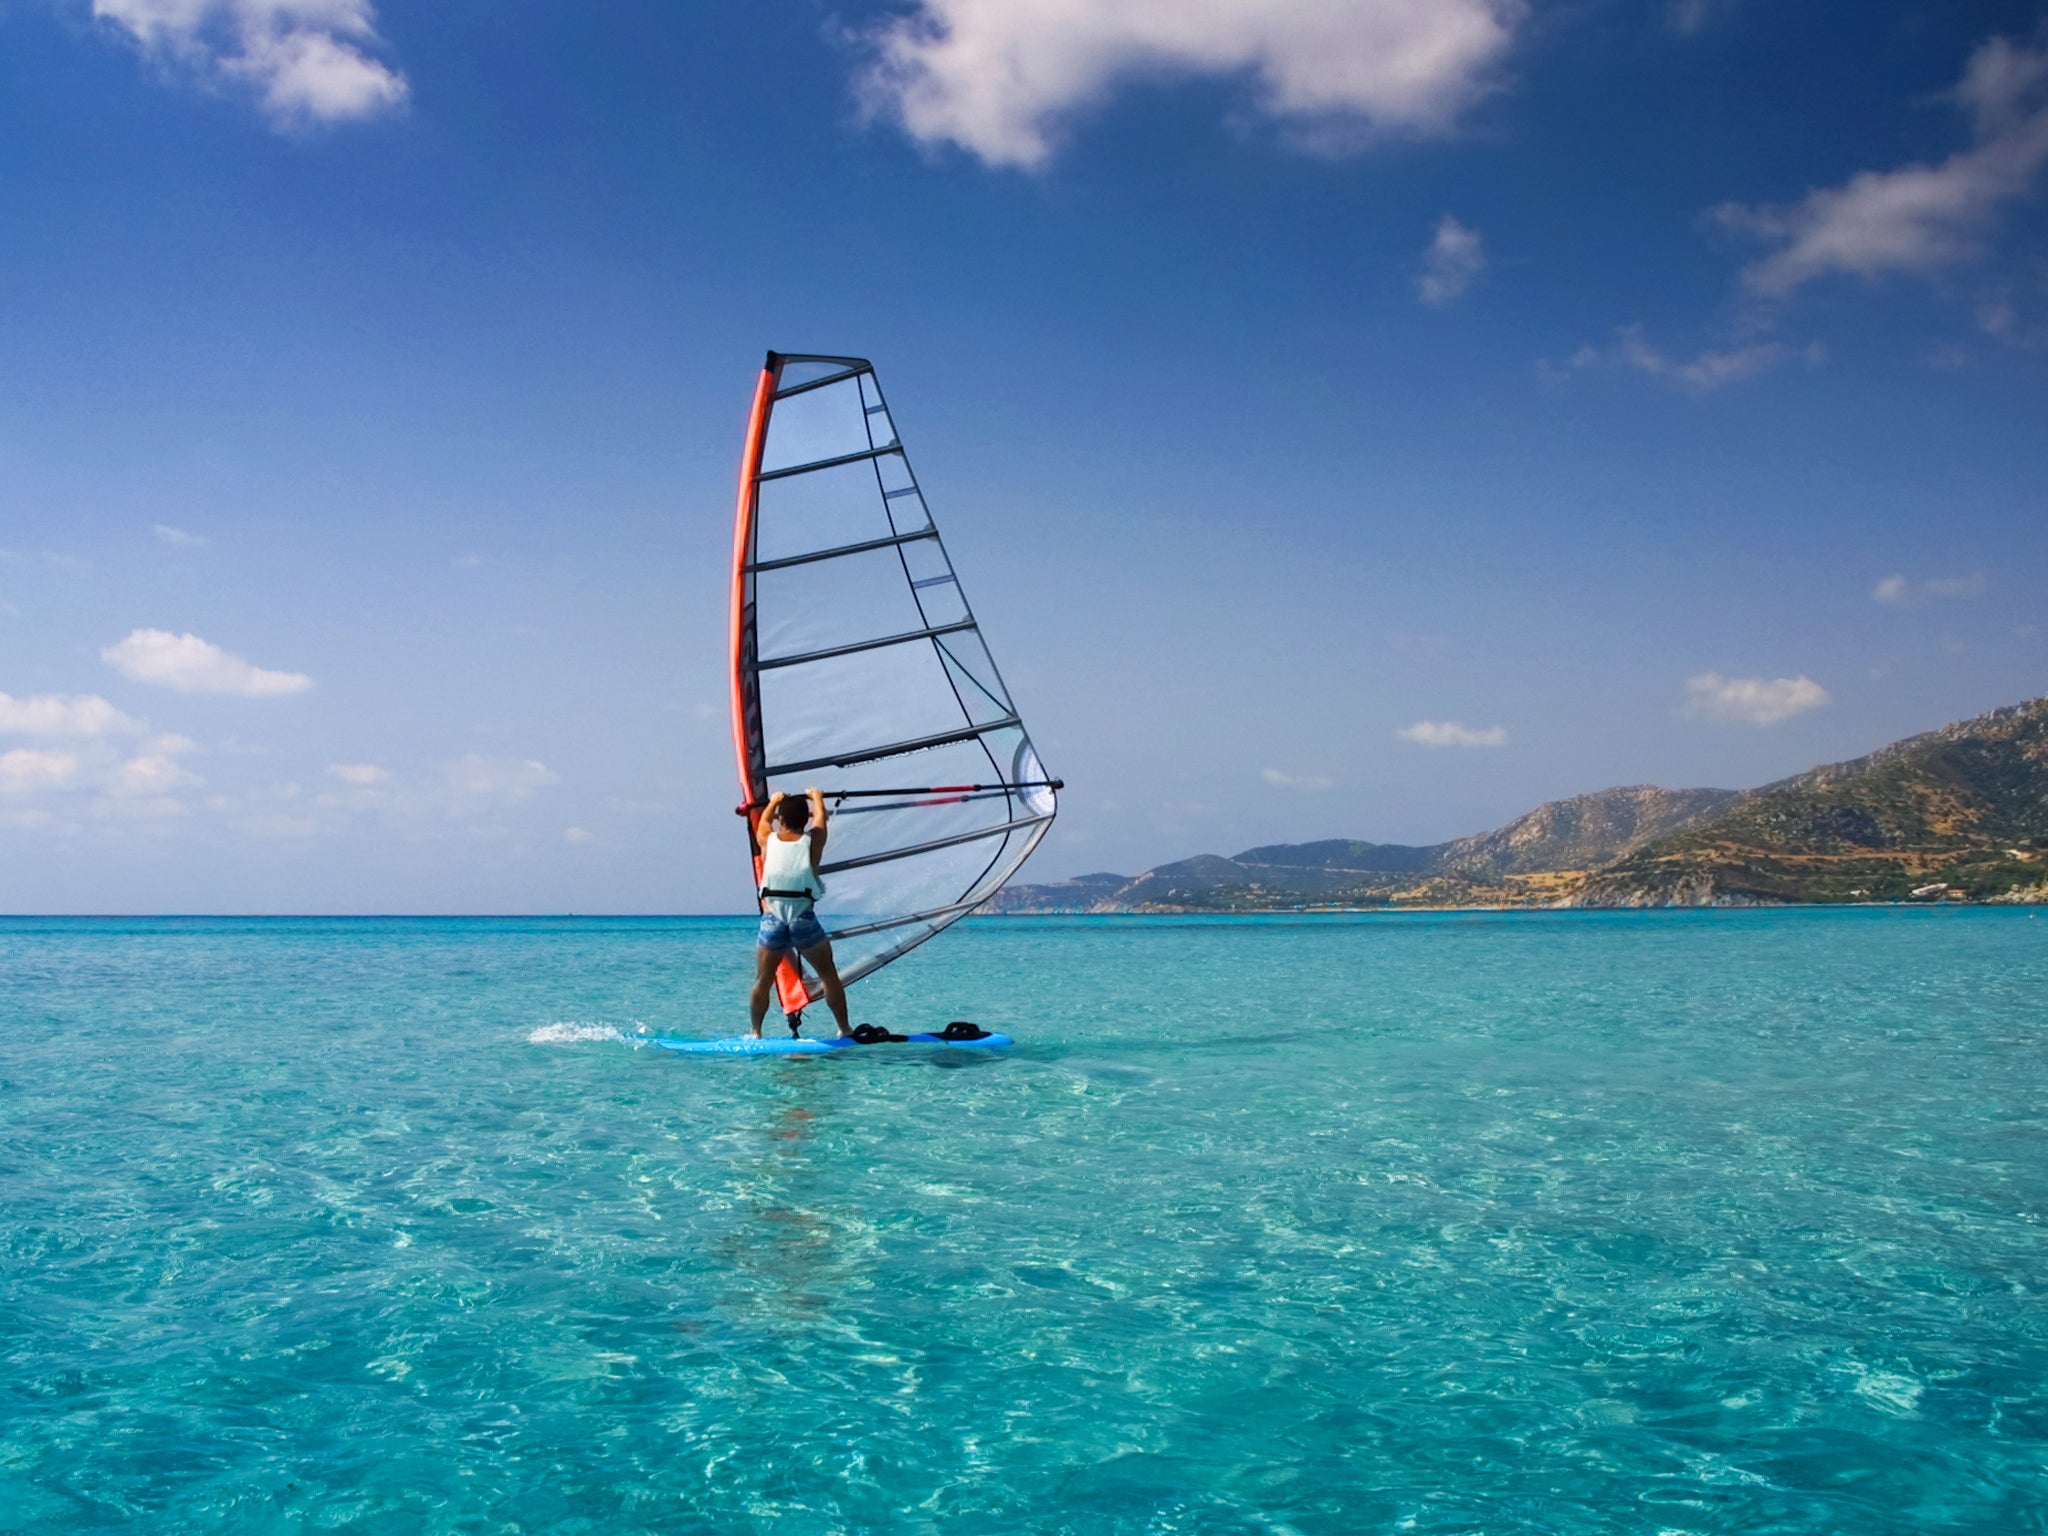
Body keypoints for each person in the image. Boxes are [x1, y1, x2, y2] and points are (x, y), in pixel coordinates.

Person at [750, 786, 852, 1039]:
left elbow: (763, 821)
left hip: (772, 919)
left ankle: (756, 1032)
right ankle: (844, 1029)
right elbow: (820, 819)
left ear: (780, 820)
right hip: (802, 920)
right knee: (829, 976)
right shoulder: (812, 841)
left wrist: (773, 802)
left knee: (763, 980)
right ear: (804, 820)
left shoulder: (767, 839)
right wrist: (817, 797)